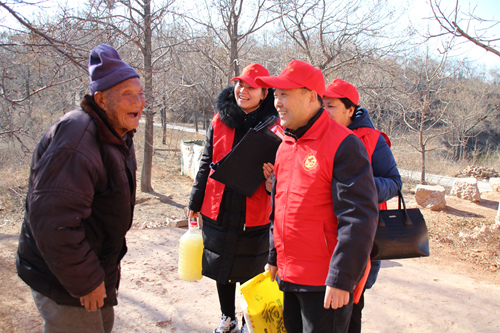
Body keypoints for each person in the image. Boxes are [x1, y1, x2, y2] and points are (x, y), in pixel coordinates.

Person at [16, 44, 145, 333]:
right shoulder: (77, 137)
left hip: (94, 269)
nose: (138, 101)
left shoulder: (116, 133)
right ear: (101, 99)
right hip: (64, 278)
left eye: (140, 93)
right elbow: (54, 220)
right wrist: (86, 280)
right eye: (127, 94)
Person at [255, 60, 379, 333]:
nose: (277, 102)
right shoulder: (286, 144)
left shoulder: (344, 144)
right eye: (276, 94)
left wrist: (342, 278)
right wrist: (274, 256)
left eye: (285, 93)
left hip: (325, 283)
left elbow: (359, 218)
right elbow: (280, 205)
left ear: (312, 96)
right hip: (289, 276)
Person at [187, 63, 278, 333]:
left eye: (251, 86)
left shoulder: (276, 127)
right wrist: (195, 200)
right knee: (222, 267)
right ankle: (227, 318)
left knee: (252, 269)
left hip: (255, 209)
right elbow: (206, 161)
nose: (243, 90)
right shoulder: (220, 119)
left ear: (265, 94)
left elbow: (286, 168)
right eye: (240, 84)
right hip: (220, 206)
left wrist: (274, 177)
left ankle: (252, 319)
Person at [323, 78, 402, 333]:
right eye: (321, 105)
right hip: (320, 238)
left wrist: (360, 184)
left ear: (350, 110)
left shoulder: (373, 140)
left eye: (331, 106)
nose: (324, 112)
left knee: (350, 310)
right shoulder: (315, 136)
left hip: (358, 239)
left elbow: (394, 182)